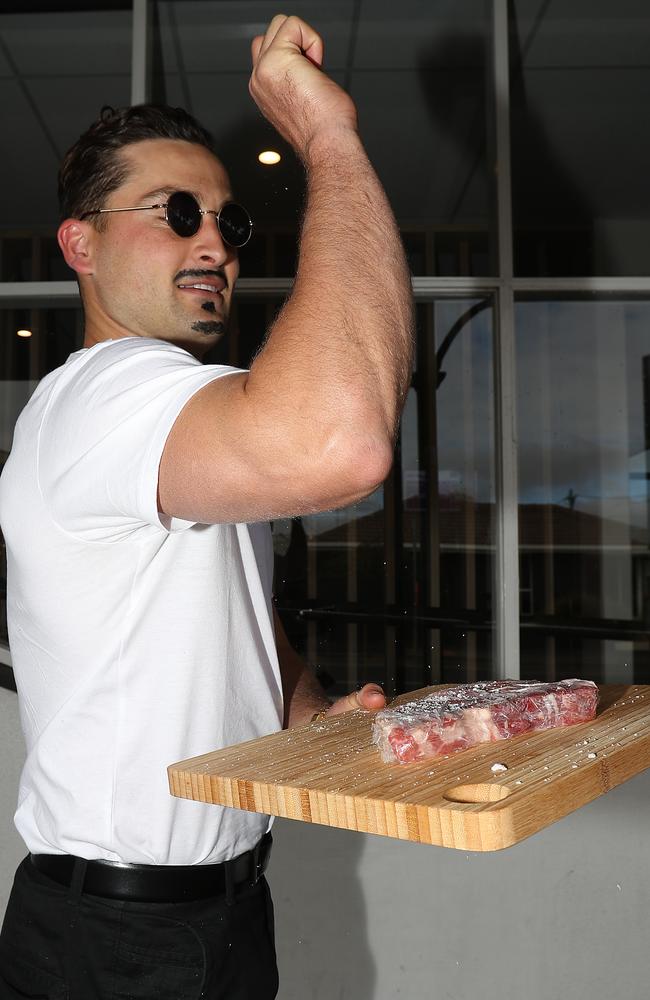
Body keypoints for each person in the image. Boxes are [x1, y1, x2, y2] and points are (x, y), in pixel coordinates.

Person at [0, 13, 413, 1000]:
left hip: (217, 914)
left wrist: (308, 710)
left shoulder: (170, 423)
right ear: (79, 243)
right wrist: (327, 137)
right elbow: (344, 441)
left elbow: (220, 611)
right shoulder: (108, 396)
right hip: (114, 938)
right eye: (173, 211)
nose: (212, 244)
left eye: (226, 222)